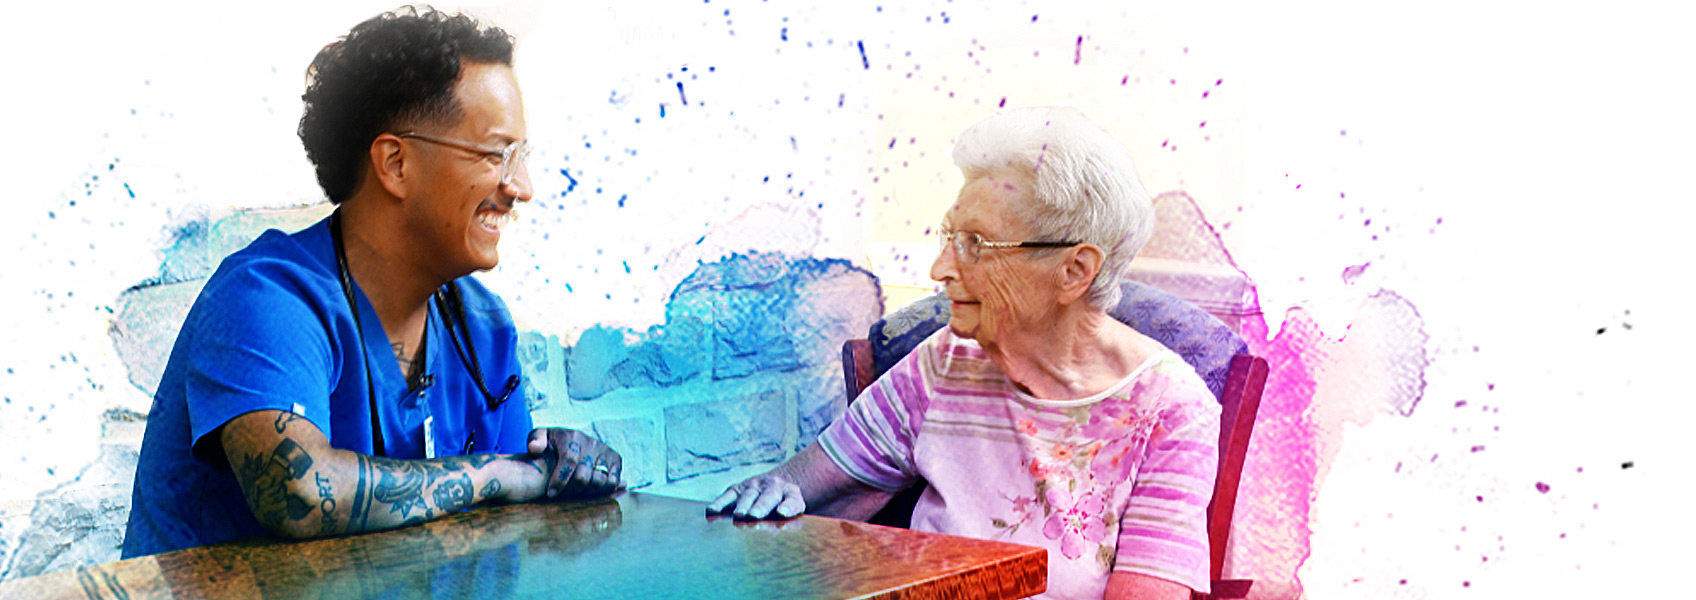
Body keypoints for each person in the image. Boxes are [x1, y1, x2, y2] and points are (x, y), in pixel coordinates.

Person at [125, 7, 622, 558]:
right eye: (495, 155)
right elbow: (300, 494)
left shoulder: (481, 326)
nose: (520, 187)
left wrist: (557, 472)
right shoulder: (266, 298)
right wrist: (498, 474)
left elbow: (509, 517)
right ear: (395, 163)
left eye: (521, 158)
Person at [709, 107, 1219, 600]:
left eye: (976, 243)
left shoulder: (1170, 411)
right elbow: (806, 481)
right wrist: (771, 493)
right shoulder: (947, 361)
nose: (940, 269)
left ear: (1074, 271)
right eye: (949, 236)